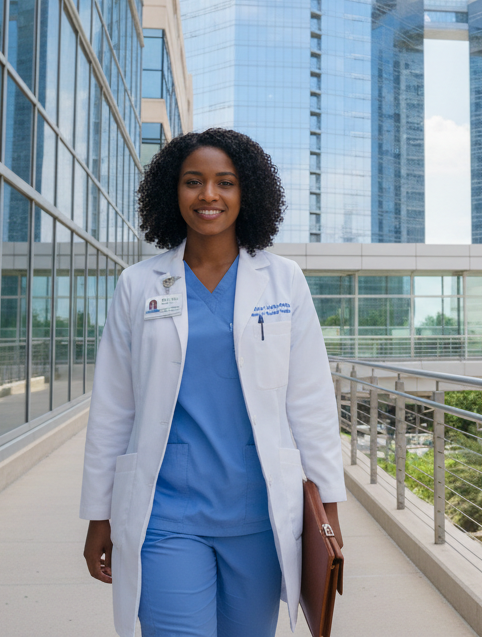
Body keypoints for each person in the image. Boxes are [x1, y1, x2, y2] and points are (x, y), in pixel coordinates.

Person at [79, 128, 346, 637]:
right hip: (166, 513)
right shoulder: (139, 285)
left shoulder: (283, 280)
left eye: (225, 182)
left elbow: (310, 401)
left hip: (260, 517)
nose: (208, 196)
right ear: (170, 193)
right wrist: (99, 514)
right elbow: (114, 408)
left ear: (247, 193)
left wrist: (327, 515)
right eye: (193, 182)